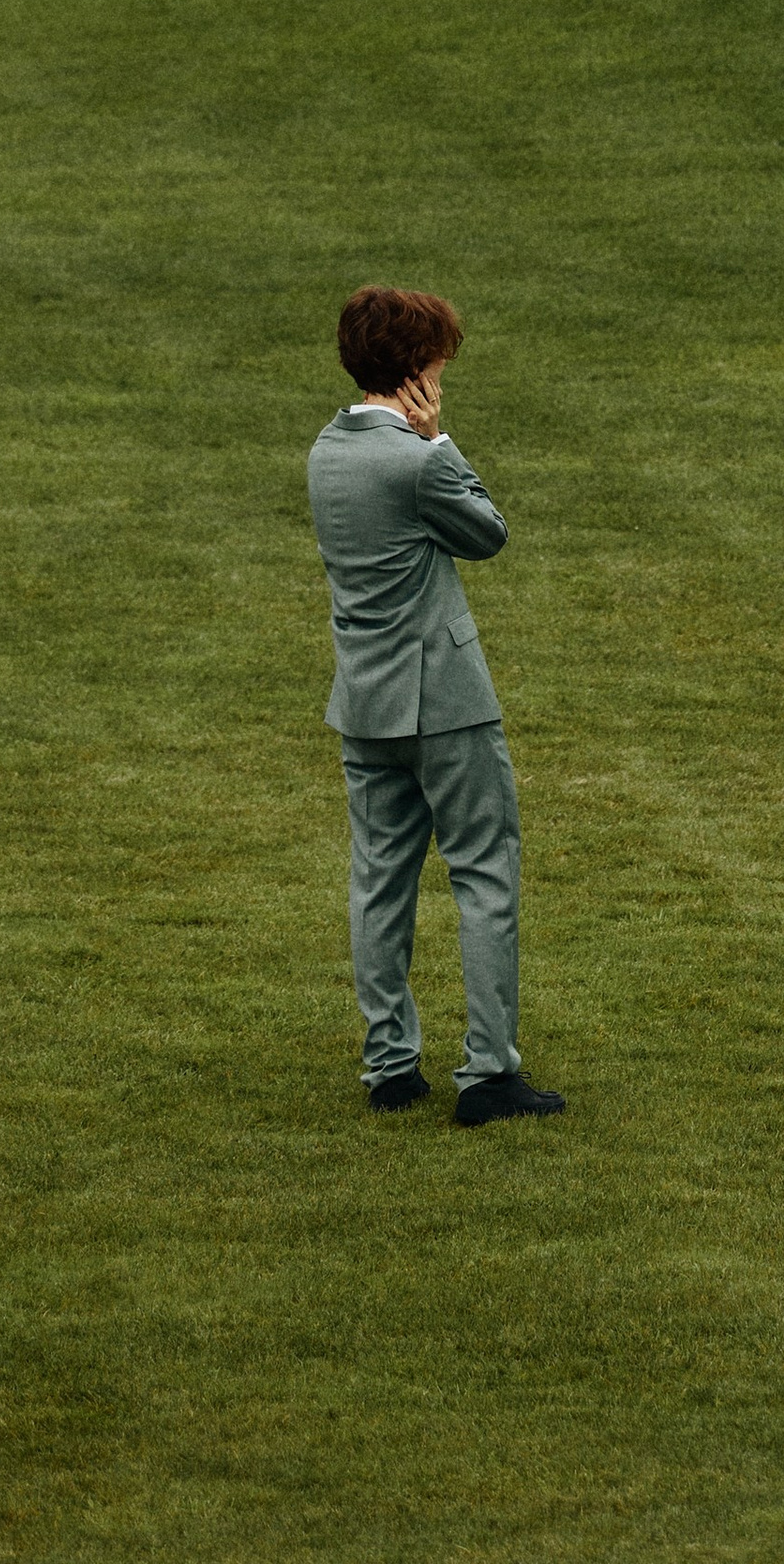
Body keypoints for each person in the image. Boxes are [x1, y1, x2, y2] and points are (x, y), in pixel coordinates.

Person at [308, 287, 563, 1122]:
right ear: (417, 368)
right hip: (446, 705)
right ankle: (488, 1075)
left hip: (363, 702)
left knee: (379, 882)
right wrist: (440, 439)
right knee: (485, 876)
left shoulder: (325, 452)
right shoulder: (415, 460)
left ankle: (390, 1067)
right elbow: (488, 533)